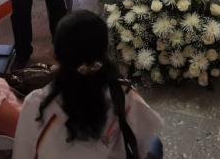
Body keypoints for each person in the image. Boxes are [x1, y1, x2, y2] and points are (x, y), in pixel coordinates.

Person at [13, 10, 163, 159]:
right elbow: (141, 142)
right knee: (155, 144)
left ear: (56, 56)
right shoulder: (122, 94)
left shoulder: (36, 104)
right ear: (104, 52)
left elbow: (22, 154)